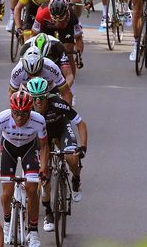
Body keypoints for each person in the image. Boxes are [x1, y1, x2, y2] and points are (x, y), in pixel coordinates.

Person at [0, 90, 49, 247]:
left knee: (32, 190)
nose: (20, 117)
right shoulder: (2, 118)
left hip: (29, 148)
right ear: (11, 110)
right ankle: (7, 221)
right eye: (16, 113)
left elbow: (44, 146)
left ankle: (33, 231)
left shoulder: (38, 120)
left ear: (30, 111)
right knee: (7, 193)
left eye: (24, 113)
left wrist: (43, 170)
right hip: (9, 149)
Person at [26, 77, 88, 231]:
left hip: (61, 130)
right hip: (43, 137)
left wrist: (83, 148)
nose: (38, 101)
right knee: (44, 176)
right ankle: (48, 212)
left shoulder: (58, 104)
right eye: (34, 98)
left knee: (71, 157)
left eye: (41, 97)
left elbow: (81, 124)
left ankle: (76, 179)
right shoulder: (27, 109)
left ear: (47, 95)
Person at [31, 0, 84, 76]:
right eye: (55, 18)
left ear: (66, 13)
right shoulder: (42, 13)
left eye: (61, 18)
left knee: (68, 53)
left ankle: (71, 78)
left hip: (66, 27)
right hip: (47, 25)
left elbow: (79, 38)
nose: (58, 21)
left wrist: (78, 56)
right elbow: (33, 35)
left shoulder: (72, 16)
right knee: (41, 48)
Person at [9, 46, 74, 104]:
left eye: (36, 73)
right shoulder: (17, 71)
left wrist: (67, 110)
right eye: (30, 74)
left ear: (42, 65)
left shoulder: (51, 67)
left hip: (49, 88)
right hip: (26, 89)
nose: (33, 77)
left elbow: (66, 93)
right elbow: (12, 95)